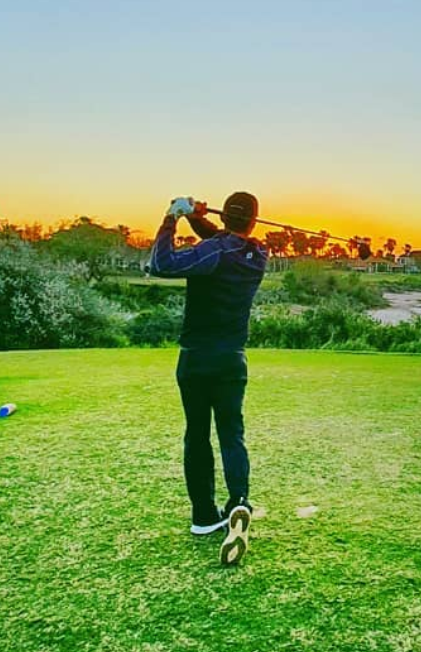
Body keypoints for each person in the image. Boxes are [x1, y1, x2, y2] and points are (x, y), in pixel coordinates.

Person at [148, 192, 267, 566]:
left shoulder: (213, 251)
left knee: (197, 433)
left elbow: (161, 263)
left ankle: (203, 516)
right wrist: (196, 218)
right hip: (233, 360)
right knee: (232, 433)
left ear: (225, 215)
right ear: (252, 221)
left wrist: (172, 217)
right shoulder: (256, 255)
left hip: (196, 359)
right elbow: (220, 240)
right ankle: (239, 503)